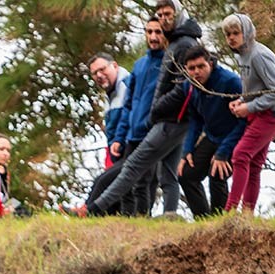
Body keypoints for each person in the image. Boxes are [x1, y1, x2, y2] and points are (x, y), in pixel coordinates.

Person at [71, 0, 202, 217]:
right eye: (159, 15)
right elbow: (130, 104)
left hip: (168, 122)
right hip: (155, 124)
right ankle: (156, 218)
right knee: (159, 176)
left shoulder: (183, 45)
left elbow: (184, 88)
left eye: (167, 15)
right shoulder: (145, 62)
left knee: (134, 170)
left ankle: (93, 209)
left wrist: (157, 111)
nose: (162, 22)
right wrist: (121, 136)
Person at [221, 13, 275, 214]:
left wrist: (249, 107)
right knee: (253, 164)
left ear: (247, 33)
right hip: (261, 111)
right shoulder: (243, 55)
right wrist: (242, 101)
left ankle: (230, 212)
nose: (231, 38)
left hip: (272, 113)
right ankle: (247, 214)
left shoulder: (259, 55)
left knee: (240, 155)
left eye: (236, 33)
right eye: (228, 34)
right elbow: (256, 88)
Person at [177, 45, 246, 217]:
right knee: (186, 174)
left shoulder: (230, 81)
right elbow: (195, 119)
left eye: (201, 66)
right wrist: (187, 150)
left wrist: (224, 152)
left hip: (235, 137)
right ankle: (203, 221)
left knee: (217, 174)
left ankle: (219, 222)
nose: (196, 72)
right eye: (192, 68)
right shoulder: (189, 85)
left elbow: (244, 121)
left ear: (211, 64)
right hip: (212, 136)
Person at [110, 17, 168, 215]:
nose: (153, 37)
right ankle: (128, 222)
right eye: (149, 32)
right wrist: (119, 137)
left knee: (144, 182)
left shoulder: (169, 65)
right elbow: (128, 104)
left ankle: (143, 219)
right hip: (132, 135)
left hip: (153, 133)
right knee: (126, 182)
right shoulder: (139, 65)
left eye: (158, 32)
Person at [88, 53, 130, 169]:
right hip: (118, 157)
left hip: (132, 152)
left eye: (102, 69)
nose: (99, 75)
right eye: (94, 73)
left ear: (115, 66)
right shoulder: (108, 96)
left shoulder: (129, 86)